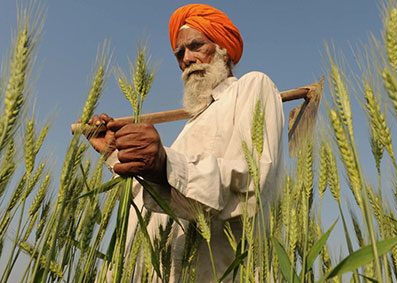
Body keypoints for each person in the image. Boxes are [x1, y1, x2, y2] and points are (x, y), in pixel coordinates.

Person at [86, 4, 284, 282]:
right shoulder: (189, 129)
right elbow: (157, 203)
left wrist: (165, 163)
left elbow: (252, 182)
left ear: (223, 48)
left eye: (196, 46)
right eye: (179, 53)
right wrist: (115, 154)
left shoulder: (252, 87)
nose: (187, 59)